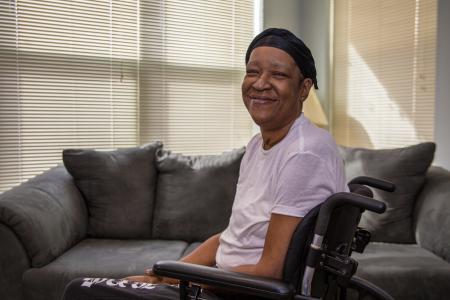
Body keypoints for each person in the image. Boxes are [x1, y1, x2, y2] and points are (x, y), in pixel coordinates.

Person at [62, 28, 347, 300]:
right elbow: (231, 238)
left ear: (304, 88)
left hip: (242, 292)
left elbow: (272, 272)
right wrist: (163, 276)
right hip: (225, 282)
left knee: (82, 291)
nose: (260, 83)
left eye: (278, 74)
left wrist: (181, 279)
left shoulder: (304, 154)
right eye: (252, 72)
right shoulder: (259, 146)